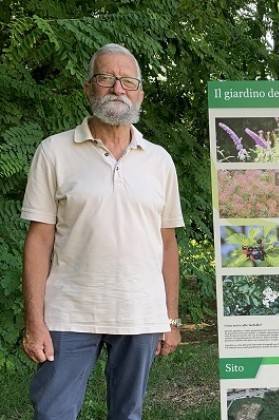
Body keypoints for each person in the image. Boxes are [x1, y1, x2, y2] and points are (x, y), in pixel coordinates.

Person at [21, 43, 184, 420]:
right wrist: (35, 322)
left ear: (140, 92)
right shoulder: (54, 152)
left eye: (128, 81)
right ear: (87, 87)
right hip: (69, 311)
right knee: (53, 413)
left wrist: (170, 319)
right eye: (106, 78)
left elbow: (167, 242)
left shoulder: (159, 161)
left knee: (127, 414)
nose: (117, 89)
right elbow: (39, 239)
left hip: (140, 312)